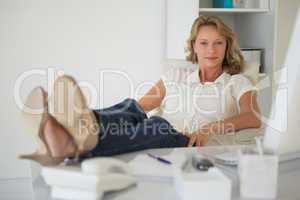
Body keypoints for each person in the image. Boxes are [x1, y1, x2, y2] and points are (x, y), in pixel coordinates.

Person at [19, 15, 261, 166]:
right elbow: (139, 107)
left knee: (157, 123)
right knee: (133, 110)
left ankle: (69, 137)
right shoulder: (175, 76)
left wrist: (209, 129)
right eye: (204, 43)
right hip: (162, 140)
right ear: (193, 47)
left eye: (218, 43)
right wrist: (117, 114)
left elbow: (254, 117)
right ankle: (76, 126)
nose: (211, 50)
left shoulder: (237, 83)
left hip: (192, 146)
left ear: (227, 46)